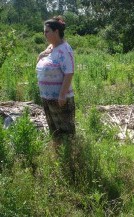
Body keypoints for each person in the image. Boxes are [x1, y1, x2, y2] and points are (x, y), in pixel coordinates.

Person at [36, 16, 75, 145]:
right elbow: (40, 66)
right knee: (54, 132)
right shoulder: (51, 48)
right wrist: (41, 55)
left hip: (59, 99)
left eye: (47, 31)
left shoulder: (65, 49)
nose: (44, 34)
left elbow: (69, 73)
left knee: (65, 132)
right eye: (44, 31)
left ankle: (70, 157)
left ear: (56, 32)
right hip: (47, 98)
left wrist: (62, 95)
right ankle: (58, 154)